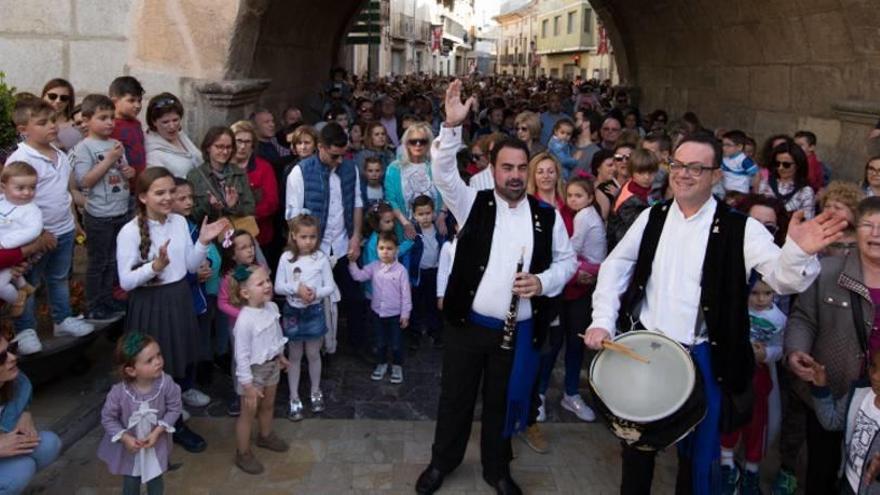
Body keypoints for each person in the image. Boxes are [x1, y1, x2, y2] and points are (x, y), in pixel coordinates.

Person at [583, 132, 846, 495]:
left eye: (696, 167)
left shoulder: (742, 228)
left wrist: (798, 251)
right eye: (677, 165)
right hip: (645, 352)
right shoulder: (651, 217)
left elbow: (784, 279)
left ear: (716, 175)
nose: (684, 174)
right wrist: (602, 319)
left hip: (707, 355)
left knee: (697, 459)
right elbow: (615, 267)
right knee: (637, 448)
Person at [416, 80, 576, 495]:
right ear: (492, 168)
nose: (516, 176)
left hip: (516, 332)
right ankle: (442, 462)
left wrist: (543, 281)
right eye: (508, 168)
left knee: (503, 403)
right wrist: (451, 129)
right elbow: (443, 173)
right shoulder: (473, 201)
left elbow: (568, 262)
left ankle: (497, 469)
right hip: (468, 326)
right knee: (456, 399)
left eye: (522, 168)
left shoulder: (546, 215)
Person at [116, 167, 229, 454]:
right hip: (151, 304)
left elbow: (190, 266)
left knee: (180, 363)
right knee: (154, 368)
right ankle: (165, 423)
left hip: (180, 298)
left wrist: (203, 242)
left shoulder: (179, 222)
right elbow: (126, 281)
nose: (168, 198)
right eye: (159, 193)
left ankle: (171, 421)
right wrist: (154, 268)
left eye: (171, 192)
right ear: (142, 196)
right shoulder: (129, 232)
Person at [785, 197, 880, 494]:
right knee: (821, 470)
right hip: (830, 390)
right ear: (856, 228)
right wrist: (795, 351)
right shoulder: (827, 271)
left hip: (878, 403)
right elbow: (803, 318)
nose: (876, 233)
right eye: (868, 225)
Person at [6, 97, 95, 354]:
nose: (52, 126)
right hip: (36, 237)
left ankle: (62, 319)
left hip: (64, 229)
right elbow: (16, 202)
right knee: (29, 283)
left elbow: (64, 193)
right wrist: (39, 234)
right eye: (43, 123)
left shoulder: (60, 154)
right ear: (23, 130)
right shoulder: (21, 159)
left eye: (53, 120)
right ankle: (25, 330)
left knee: (58, 278)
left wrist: (74, 221)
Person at [285, 122, 366, 358]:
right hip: (314, 249)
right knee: (313, 302)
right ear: (320, 147)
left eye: (343, 155)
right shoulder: (300, 172)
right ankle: (317, 352)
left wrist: (356, 236)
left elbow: (357, 203)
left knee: (354, 298)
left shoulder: (351, 168)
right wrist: (306, 247)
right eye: (334, 156)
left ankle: (357, 346)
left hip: (342, 246)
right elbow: (292, 215)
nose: (339, 161)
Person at [719, 278, 786, 494]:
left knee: (756, 425)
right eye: (755, 293)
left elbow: (780, 348)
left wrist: (765, 354)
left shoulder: (779, 319)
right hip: (736, 377)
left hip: (759, 379)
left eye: (767, 293)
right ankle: (727, 465)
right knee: (731, 419)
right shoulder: (736, 311)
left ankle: (751, 470)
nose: (760, 299)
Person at [72, 94, 136, 320]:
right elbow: (85, 181)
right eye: (103, 118)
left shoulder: (115, 145)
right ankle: (93, 304)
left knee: (113, 260)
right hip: (99, 215)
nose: (110, 122)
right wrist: (108, 160)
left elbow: (124, 173)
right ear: (87, 120)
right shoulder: (84, 148)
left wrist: (130, 173)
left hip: (120, 210)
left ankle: (108, 298)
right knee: (98, 262)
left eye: (111, 117)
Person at [98, 333, 181, 495]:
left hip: (155, 443)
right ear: (131, 370)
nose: (158, 361)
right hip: (130, 447)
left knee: (155, 477)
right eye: (149, 360)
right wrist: (125, 438)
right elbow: (108, 418)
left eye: (159, 355)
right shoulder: (119, 393)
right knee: (131, 480)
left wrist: (158, 431)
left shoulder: (166, 384)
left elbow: (175, 408)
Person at [229, 264, 290, 474]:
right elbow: (242, 356)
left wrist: (281, 355)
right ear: (245, 292)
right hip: (253, 373)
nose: (267, 285)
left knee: (268, 405)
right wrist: (248, 385)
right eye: (260, 283)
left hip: (271, 364)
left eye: (268, 281)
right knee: (248, 413)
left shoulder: (272, 307)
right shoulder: (244, 321)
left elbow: (274, 334)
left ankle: (265, 436)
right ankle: (243, 452)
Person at [275, 215, 335, 421]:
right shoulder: (286, 258)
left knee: (313, 353)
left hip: (313, 311)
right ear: (294, 236)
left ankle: (315, 391)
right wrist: (296, 289)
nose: (308, 241)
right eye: (303, 237)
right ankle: (294, 396)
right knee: (294, 355)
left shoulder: (320, 258)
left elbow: (329, 286)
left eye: (312, 237)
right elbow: (278, 286)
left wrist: (314, 293)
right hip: (293, 312)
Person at [810, 351, 880, 495]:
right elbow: (831, 421)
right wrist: (820, 387)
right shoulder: (859, 394)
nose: (875, 376)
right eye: (873, 366)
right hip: (847, 482)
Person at [0, 336, 61, 494]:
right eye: (1, 357)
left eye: (11, 349)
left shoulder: (18, 382)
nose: (13, 358)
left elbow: (20, 398)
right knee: (21, 469)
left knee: (48, 444)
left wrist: (24, 412)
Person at [348, 232, 412, 384]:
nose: (385, 251)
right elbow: (359, 276)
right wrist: (352, 263)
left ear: (396, 250)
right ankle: (381, 364)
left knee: (396, 344)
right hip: (377, 313)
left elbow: (406, 295)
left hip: (396, 315)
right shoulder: (373, 267)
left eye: (389, 248)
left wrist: (405, 314)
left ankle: (397, 366)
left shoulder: (401, 270)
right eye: (381, 248)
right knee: (380, 342)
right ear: (376, 250)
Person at [187, 126, 256, 225]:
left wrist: (234, 206)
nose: (225, 152)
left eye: (228, 147)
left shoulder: (239, 173)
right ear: (208, 147)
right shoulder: (195, 176)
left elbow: (250, 209)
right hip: (210, 234)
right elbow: (191, 215)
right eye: (219, 147)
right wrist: (210, 207)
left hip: (237, 232)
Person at [385, 122, 443, 240]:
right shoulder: (394, 168)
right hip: (405, 230)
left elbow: (448, 192)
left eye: (423, 141)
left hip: (435, 228)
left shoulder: (436, 165)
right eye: (413, 141)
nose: (418, 144)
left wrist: (442, 215)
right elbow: (391, 200)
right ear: (406, 144)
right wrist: (405, 223)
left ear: (429, 144)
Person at [230, 120, 279, 256]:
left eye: (247, 142)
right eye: (238, 141)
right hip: (231, 239)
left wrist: (247, 215)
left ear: (253, 145)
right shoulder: (223, 167)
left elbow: (272, 202)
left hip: (260, 236)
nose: (242, 146)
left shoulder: (264, 168)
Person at [0, 163, 40, 316]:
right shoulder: (2, 201)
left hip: (12, 251)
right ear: (4, 187)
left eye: (32, 187)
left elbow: (33, 231)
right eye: (21, 188)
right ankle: (23, 285)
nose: (27, 193)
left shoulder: (31, 210)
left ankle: (17, 298)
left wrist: (5, 243)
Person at [408, 195, 446, 349]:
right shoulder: (413, 232)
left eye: (428, 213)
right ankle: (414, 333)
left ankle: (434, 331)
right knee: (416, 304)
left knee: (433, 304)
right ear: (414, 215)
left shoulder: (438, 230)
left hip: (434, 273)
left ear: (434, 212)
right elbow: (407, 253)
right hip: (418, 275)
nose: (425, 218)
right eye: (421, 214)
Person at [606, 148, 660, 251]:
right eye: (641, 173)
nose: (647, 177)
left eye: (651, 173)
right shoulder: (628, 200)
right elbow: (640, 225)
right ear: (632, 172)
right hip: (622, 247)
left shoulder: (641, 187)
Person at [145, 93, 201, 179]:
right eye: (165, 122)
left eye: (175, 120)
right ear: (154, 122)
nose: (172, 126)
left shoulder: (181, 136)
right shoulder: (152, 154)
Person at [758, 141, 816, 219]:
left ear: (798, 165)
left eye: (786, 165)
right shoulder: (765, 184)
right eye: (777, 164)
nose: (780, 168)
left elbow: (807, 220)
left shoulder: (806, 192)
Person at [108, 76, 146, 180]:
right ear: (114, 101)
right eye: (131, 100)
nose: (137, 105)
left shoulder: (136, 123)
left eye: (139, 101)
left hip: (140, 183)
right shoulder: (110, 127)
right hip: (121, 185)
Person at [40, 78, 81, 151]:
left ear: (69, 101)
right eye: (52, 96)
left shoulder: (77, 126)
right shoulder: (31, 123)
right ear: (43, 96)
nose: (58, 101)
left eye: (64, 98)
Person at [721, 130, 759, 194]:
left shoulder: (743, 160)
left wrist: (755, 192)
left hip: (740, 193)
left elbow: (756, 175)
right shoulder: (724, 158)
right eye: (723, 145)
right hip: (725, 191)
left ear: (739, 147)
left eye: (728, 145)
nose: (724, 148)